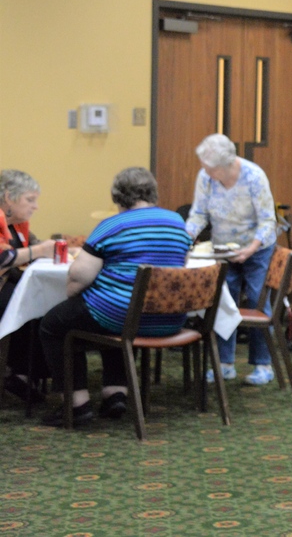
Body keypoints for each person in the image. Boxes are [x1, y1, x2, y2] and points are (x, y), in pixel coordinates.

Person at [37, 167, 192, 426]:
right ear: (153, 193)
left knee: (55, 324)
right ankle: (115, 394)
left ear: (118, 198)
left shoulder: (112, 225)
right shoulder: (177, 223)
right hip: (170, 319)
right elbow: (181, 264)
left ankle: (77, 404)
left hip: (123, 316)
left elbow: (79, 276)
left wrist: (73, 294)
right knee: (114, 312)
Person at [186, 134, 278, 386]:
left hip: (257, 248)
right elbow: (198, 215)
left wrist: (250, 249)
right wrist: (184, 238)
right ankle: (224, 363)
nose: (205, 171)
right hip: (223, 249)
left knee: (259, 302)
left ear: (227, 164)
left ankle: (263, 364)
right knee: (223, 303)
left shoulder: (253, 176)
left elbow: (268, 221)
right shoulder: (205, 176)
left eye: (211, 167)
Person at [0, 170, 56, 403]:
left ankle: (24, 375)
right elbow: (3, 258)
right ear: (9, 197)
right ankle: (19, 373)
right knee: (29, 303)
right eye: (30, 200)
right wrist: (40, 251)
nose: (36, 207)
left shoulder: (18, 225)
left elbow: (38, 246)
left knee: (46, 304)